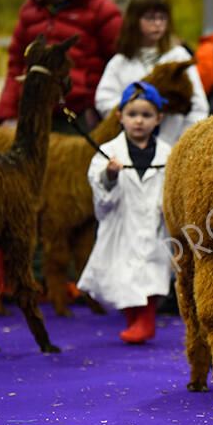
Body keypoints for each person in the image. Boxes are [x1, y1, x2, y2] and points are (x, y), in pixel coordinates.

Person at [77, 81, 172, 344]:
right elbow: (98, 190)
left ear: (158, 119)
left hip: (154, 225)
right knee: (124, 275)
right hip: (123, 224)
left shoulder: (169, 153)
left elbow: (177, 184)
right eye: (132, 115)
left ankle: (146, 322)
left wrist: (171, 204)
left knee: (151, 271)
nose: (139, 121)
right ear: (120, 117)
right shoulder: (108, 152)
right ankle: (135, 321)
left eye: (146, 115)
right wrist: (109, 176)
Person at [0, 0, 122, 133]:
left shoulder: (101, 9)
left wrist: (103, 112)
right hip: (33, 117)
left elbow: (119, 63)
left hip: (80, 121)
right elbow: (15, 64)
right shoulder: (29, 12)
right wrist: (7, 114)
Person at [95, 0, 208, 147]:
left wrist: (182, 142)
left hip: (172, 145)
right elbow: (104, 100)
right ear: (134, 21)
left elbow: (198, 106)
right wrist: (134, 114)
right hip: (129, 147)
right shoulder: (120, 61)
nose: (158, 24)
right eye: (150, 18)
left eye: (162, 18)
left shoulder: (178, 57)